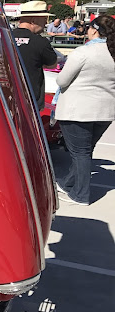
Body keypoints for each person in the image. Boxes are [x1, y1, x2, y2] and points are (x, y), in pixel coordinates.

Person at [54, 15, 115, 205]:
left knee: (80, 153)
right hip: (106, 111)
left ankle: (80, 194)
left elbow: (62, 80)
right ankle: (68, 182)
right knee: (85, 151)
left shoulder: (84, 52)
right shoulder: (112, 52)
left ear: (94, 30)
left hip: (78, 110)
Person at [13, 1, 58, 110]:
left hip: (7, 98)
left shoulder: (4, 37)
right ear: (33, 20)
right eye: (44, 20)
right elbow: (52, 65)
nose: (46, 24)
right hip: (31, 101)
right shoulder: (40, 42)